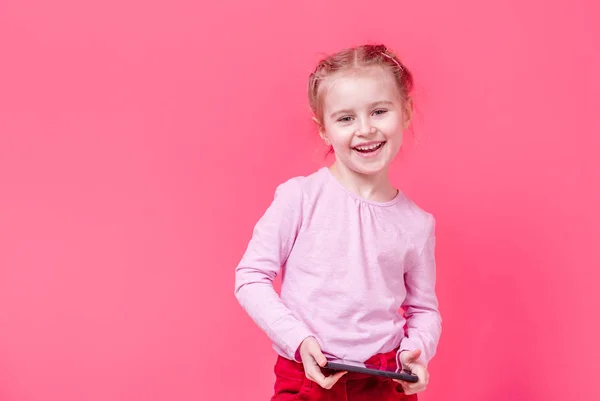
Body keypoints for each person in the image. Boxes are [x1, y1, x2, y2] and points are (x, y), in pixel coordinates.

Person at [234, 43, 442, 400]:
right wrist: (297, 340)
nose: (365, 129)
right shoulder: (300, 198)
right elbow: (250, 277)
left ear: (405, 113)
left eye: (379, 111)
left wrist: (416, 352)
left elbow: (424, 310)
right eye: (346, 118)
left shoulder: (417, 224)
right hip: (306, 377)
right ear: (324, 129)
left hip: (383, 381)